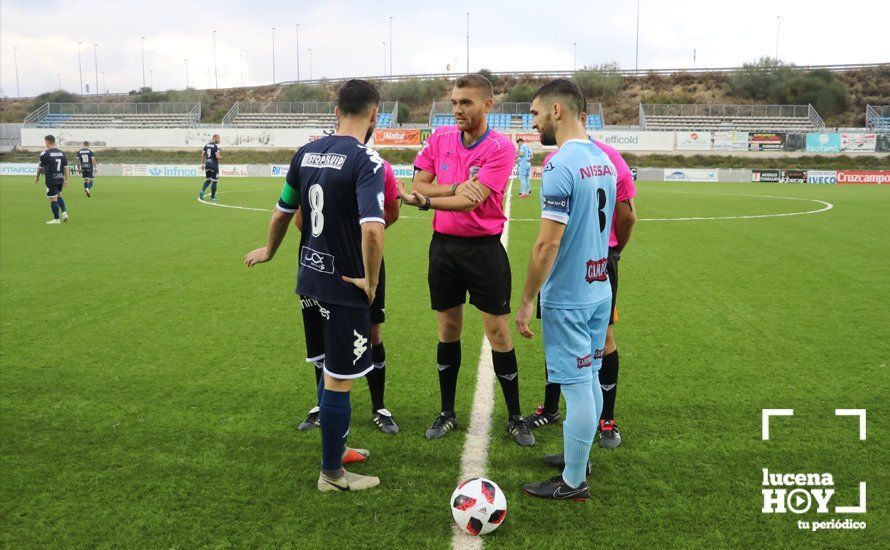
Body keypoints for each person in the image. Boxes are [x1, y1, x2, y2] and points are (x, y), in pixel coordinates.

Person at [244, 79, 386, 493]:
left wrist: (270, 251)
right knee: (341, 378)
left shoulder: (306, 153)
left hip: (309, 279)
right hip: (344, 286)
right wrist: (371, 282)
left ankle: (336, 446)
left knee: (328, 369)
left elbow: (282, 211)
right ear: (374, 114)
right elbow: (374, 231)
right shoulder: (367, 160)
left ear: (337, 109)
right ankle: (332, 475)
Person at [399, 74, 534, 447]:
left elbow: (470, 201)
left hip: (484, 250)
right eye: (455, 102)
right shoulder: (440, 138)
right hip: (443, 248)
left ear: (487, 106)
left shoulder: (501, 148)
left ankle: (515, 417)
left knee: (499, 333)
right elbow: (418, 184)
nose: (457, 110)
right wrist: (451, 188)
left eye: (466, 103)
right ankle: (446, 412)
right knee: (448, 330)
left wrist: (429, 201)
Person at [516, 79, 616, 500]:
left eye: (536, 114)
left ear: (557, 110)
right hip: (599, 287)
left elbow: (546, 244)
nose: (534, 123)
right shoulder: (605, 159)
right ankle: (580, 457)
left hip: (571, 295)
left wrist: (525, 301)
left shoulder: (560, 164)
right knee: (589, 375)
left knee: (576, 387)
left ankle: (574, 481)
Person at [524, 128, 637, 451]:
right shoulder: (598, 159)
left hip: (583, 264)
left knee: (596, 348)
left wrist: (613, 252)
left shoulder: (596, 158)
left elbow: (627, 216)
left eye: (537, 114)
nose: (536, 122)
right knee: (567, 343)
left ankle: (605, 422)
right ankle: (552, 409)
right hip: (589, 263)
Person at [295, 158, 401, 434]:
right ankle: (325, 404)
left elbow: (390, 213)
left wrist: (352, 241)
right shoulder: (370, 163)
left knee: (371, 332)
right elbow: (300, 215)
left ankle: (378, 406)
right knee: (330, 334)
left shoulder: (379, 167)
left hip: (350, 263)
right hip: (334, 263)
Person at [35, 135, 70, 224]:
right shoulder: (62, 153)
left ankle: (56, 219)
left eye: (45, 142)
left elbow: (40, 166)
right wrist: (66, 179)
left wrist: (37, 176)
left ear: (47, 141)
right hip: (60, 178)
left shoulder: (45, 153)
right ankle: (64, 212)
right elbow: (66, 167)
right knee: (59, 196)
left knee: (53, 199)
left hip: (51, 179)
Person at [199, 134, 221, 202]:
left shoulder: (206, 145)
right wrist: (220, 155)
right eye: (218, 138)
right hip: (214, 165)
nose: (219, 140)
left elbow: (202, 155)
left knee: (208, 180)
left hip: (207, 164)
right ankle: (213, 198)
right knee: (215, 181)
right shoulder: (215, 146)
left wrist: (202, 164)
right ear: (214, 138)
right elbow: (217, 157)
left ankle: (202, 191)